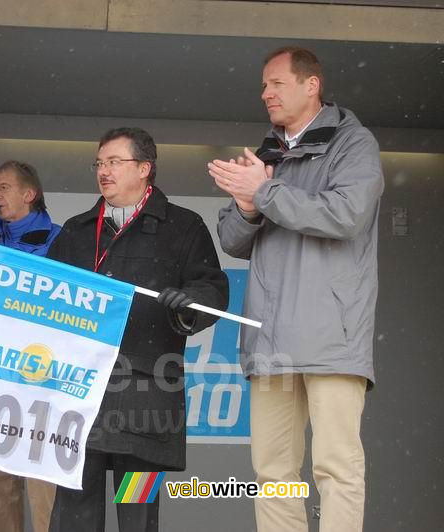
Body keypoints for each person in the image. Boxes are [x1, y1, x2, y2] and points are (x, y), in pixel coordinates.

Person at [209, 46, 384, 532]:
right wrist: (246, 206)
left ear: (312, 86)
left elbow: (345, 215)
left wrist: (263, 193)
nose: (265, 94)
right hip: (271, 340)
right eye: (263, 86)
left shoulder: (354, 143)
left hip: (331, 335)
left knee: (336, 467)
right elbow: (231, 240)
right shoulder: (266, 154)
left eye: (276, 83)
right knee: (274, 475)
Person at [46, 127, 229, 531]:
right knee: (74, 515)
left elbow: (212, 288)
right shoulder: (75, 231)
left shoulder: (183, 226)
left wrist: (190, 303)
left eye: (115, 162)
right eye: (99, 163)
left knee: (138, 516)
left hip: (146, 399)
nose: (103, 171)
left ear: (145, 168)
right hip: (79, 397)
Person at [0, 160, 61, 532]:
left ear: (29, 195)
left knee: (43, 485)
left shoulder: (62, 240)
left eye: (3, 188)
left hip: (45, 381)